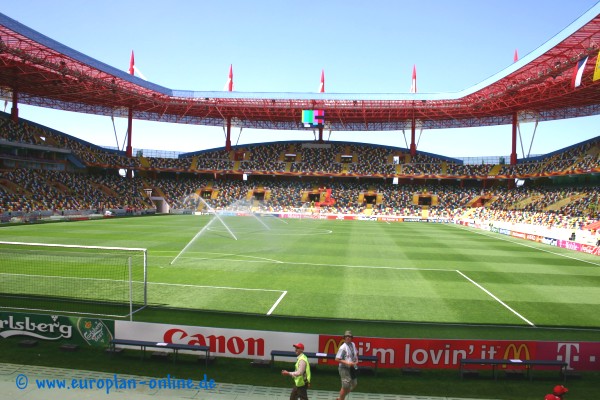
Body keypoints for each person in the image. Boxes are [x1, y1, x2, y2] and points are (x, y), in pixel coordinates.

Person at [335, 330, 358, 400]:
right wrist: (347, 362)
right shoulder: (343, 347)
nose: (348, 338)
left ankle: (340, 398)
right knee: (345, 386)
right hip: (344, 368)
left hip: (352, 367)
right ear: (344, 338)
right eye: (346, 336)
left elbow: (355, 353)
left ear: (351, 338)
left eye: (349, 336)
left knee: (354, 383)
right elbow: (337, 359)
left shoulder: (353, 344)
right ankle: (341, 398)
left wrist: (356, 360)